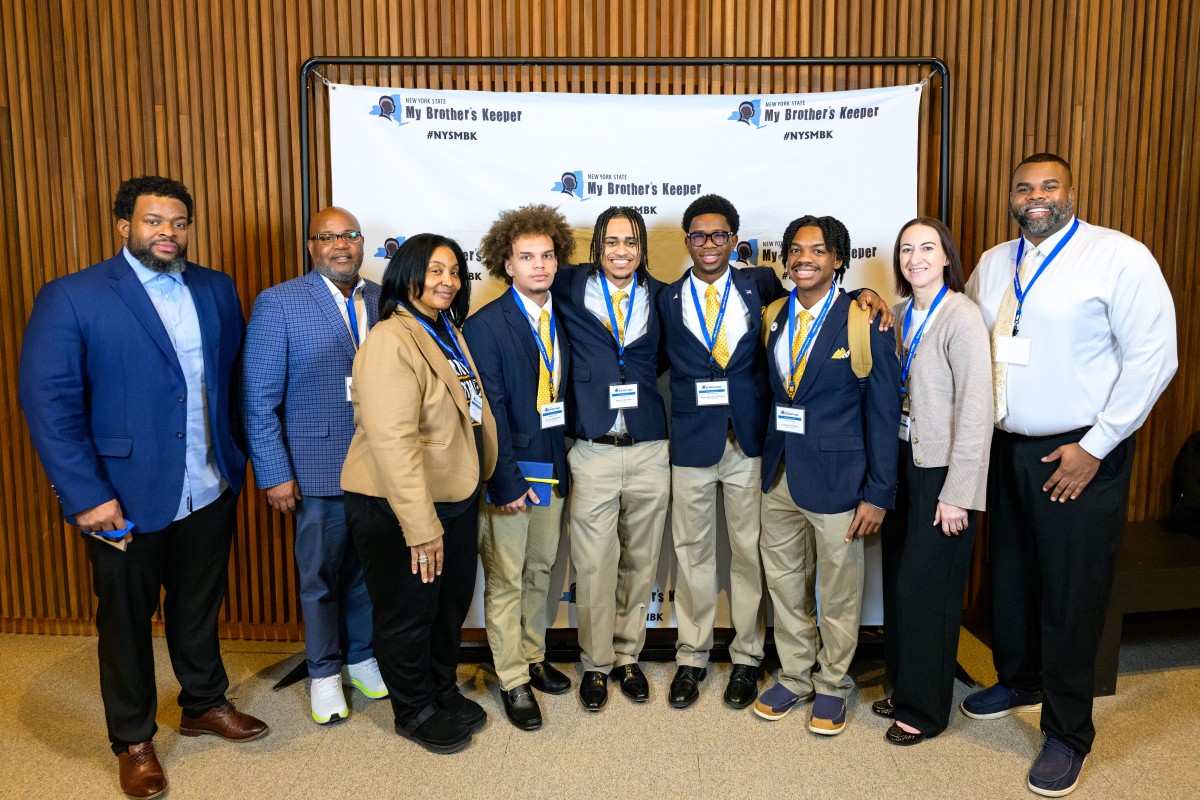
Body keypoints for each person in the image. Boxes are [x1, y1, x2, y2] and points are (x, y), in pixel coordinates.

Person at [18, 176, 268, 800]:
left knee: (198, 606)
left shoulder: (215, 287)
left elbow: (231, 380)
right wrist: (85, 496)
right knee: (125, 621)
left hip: (209, 485)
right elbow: (50, 404)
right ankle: (132, 739)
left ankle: (203, 703)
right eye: (154, 221)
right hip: (120, 496)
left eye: (179, 222)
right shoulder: (72, 296)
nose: (168, 233)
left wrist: (238, 461)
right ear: (124, 225)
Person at [961, 153, 1177, 796]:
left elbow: (1154, 358)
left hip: (1079, 453)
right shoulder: (994, 262)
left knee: (1070, 595)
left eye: (1048, 186)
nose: (1036, 197)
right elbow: (958, 327)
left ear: (1071, 192)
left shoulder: (1119, 257)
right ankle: (1019, 680)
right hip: (1007, 447)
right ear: (1010, 198)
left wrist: (1097, 446)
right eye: (1023, 188)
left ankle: (1067, 733)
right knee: (1013, 579)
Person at [341, 234, 497, 755]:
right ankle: (413, 709)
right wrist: (421, 525)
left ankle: (441, 690)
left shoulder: (444, 328)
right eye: (435, 270)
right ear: (407, 274)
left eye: (454, 271)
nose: (447, 281)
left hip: (453, 495)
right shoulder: (390, 339)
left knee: (446, 607)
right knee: (408, 613)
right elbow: (393, 441)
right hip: (398, 505)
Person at [755, 214, 901, 735]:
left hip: (841, 480)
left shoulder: (864, 321)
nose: (804, 259)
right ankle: (795, 675)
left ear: (838, 259)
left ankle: (834, 683)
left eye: (818, 250)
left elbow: (883, 412)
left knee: (838, 592)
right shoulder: (775, 314)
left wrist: (878, 492)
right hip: (780, 475)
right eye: (796, 249)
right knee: (785, 583)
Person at [240, 206, 387, 725]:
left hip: (380, 465)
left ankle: (361, 656)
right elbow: (258, 399)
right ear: (311, 246)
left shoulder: (382, 298)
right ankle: (324, 672)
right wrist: (275, 473)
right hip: (316, 467)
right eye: (328, 236)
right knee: (320, 576)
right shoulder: (279, 302)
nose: (340, 245)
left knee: (367, 570)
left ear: (362, 242)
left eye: (350, 235)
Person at [655, 194, 785, 710]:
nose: (708, 244)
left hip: (747, 441)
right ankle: (692, 656)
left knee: (749, 552)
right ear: (686, 241)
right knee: (692, 553)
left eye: (719, 235)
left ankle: (748, 656)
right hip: (692, 441)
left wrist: (863, 294)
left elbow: (815, 298)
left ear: (734, 239)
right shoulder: (666, 298)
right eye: (698, 235)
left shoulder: (761, 284)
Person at [874, 217, 993, 745]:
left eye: (927, 248)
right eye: (906, 249)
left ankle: (924, 712)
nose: (915, 258)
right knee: (901, 584)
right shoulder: (899, 314)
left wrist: (958, 494)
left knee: (929, 593)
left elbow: (976, 411)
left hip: (942, 472)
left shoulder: (961, 317)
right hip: (903, 461)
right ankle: (904, 688)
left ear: (947, 256)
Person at [462, 205, 576, 731]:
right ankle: (511, 678)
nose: (539, 265)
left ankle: (532, 656)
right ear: (506, 264)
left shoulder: (564, 316)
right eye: (527, 257)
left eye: (547, 255)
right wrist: (504, 480)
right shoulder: (485, 326)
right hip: (510, 475)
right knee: (507, 578)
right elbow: (490, 410)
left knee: (540, 570)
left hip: (552, 465)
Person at [551, 207, 669, 711]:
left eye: (632, 242)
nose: (622, 251)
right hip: (592, 447)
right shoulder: (566, 284)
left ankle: (627, 657)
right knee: (595, 564)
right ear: (597, 245)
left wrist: (860, 293)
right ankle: (596, 664)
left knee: (641, 562)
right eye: (612, 241)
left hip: (649, 446)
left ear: (643, 249)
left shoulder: (664, 295)